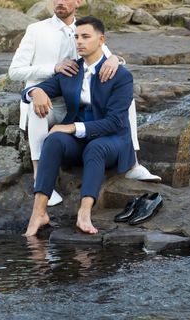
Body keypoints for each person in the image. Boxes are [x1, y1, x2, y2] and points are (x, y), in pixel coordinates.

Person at [8, 0, 160, 207]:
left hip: (73, 104)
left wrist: (116, 59)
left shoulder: (83, 29)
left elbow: (105, 57)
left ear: (78, 1)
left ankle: (133, 162)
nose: (60, 2)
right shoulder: (36, 30)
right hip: (46, 98)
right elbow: (14, 71)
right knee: (38, 108)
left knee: (125, 98)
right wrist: (53, 69)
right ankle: (41, 177)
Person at [23, 16, 135, 236]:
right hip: (79, 143)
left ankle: (84, 213)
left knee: (96, 147)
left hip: (112, 141)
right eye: (76, 37)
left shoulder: (121, 75)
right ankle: (39, 212)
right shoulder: (72, 70)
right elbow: (33, 90)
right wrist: (35, 92)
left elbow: (114, 122)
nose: (79, 42)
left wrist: (72, 127)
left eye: (85, 36)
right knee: (54, 140)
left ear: (101, 39)